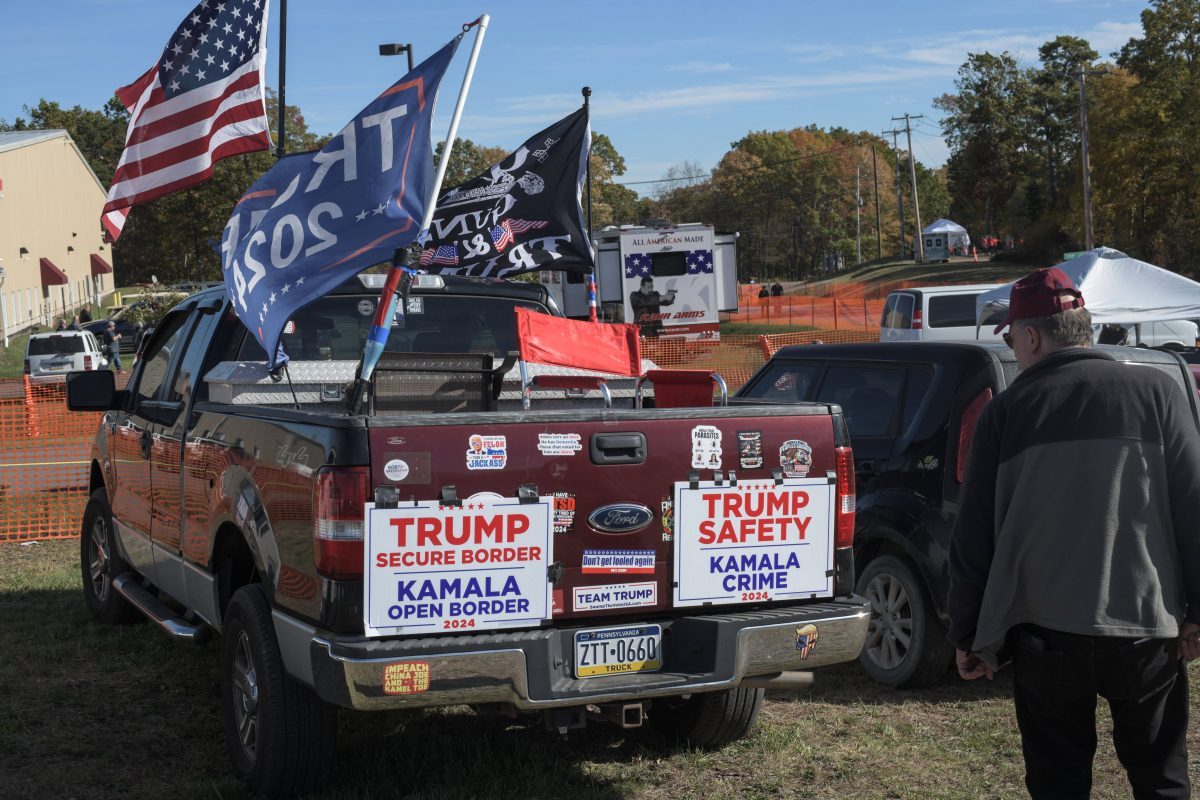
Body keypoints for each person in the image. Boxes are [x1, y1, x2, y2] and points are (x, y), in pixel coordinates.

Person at [948, 266, 1200, 799]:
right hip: (1146, 630)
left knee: (1057, 785)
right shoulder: (1159, 393)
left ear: (1033, 337)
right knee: (1163, 783)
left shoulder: (1006, 412)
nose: (1015, 350)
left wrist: (969, 637)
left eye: (1013, 338)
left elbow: (973, 539)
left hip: (1046, 637)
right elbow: (1193, 510)